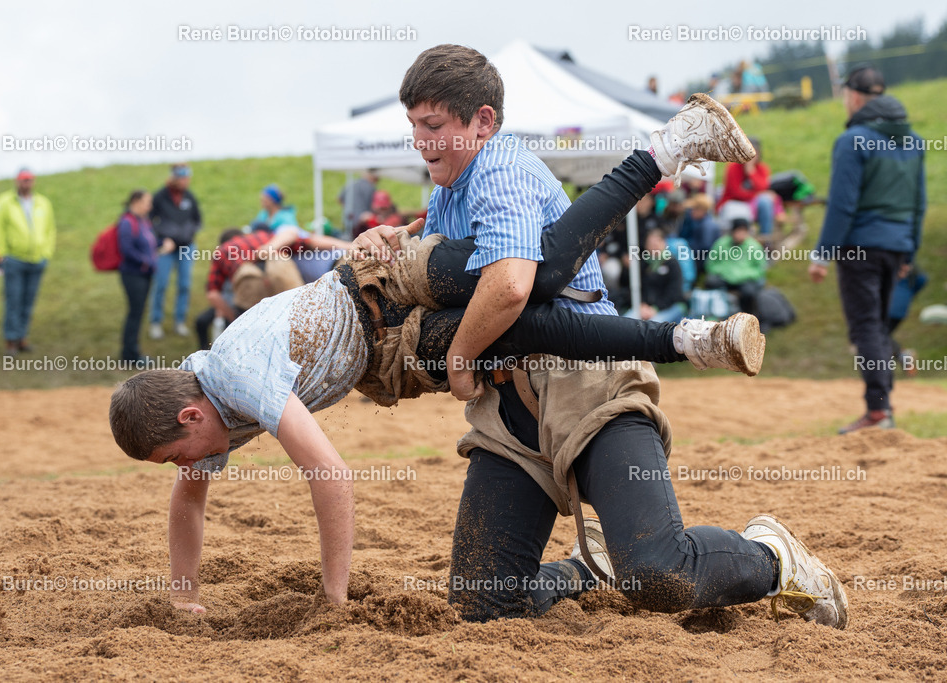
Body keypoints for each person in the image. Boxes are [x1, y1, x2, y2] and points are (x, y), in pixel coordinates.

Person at [110, 149, 771, 612]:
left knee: (529, 281)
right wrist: (182, 594)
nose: (186, 467)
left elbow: (331, 475)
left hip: (385, 285)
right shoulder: (196, 399)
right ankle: (688, 337)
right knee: (518, 327)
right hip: (390, 350)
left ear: (190, 419)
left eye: (175, 454)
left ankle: (657, 172)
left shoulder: (233, 374)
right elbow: (187, 498)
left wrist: (333, 598)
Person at [354, 45, 846, 629]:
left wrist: (458, 354)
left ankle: (774, 558)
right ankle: (587, 571)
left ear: (482, 121)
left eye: (433, 126)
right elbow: (454, 272)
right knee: (485, 610)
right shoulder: (449, 191)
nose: (419, 140)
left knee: (659, 572)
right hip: (510, 406)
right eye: (413, 126)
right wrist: (394, 239)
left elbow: (512, 286)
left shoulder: (501, 168)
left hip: (589, 381)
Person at [808, 64, 925, 434]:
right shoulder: (914, 142)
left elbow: (842, 204)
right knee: (876, 326)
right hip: (897, 247)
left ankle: (878, 412)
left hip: (860, 248)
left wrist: (822, 253)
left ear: (855, 97)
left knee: (865, 329)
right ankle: (883, 408)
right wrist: (909, 253)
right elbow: (919, 204)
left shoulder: (851, 141)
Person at [0, 168, 56, 355]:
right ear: (17, 181)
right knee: (14, 300)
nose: (26, 183)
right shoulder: (5, 203)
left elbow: (50, 229)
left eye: (29, 179)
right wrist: (2, 251)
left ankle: (22, 337)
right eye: (23, 180)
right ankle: (11, 339)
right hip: (14, 260)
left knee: (28, 300)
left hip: (37, 259)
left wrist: (46, 252)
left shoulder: (42, 203)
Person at [149, 163, 202, 340]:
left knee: (184, 284)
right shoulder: (160, 197)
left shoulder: (189, 197)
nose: (186, 181)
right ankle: (156, 321)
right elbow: (150, 222)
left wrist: (188, 233)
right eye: (183, 178)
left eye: (188, 178)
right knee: (161, 284)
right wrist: (161, 239)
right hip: (166, 248)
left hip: (186, 247)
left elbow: (197, 220)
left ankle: (180, 321)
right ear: (174, 178)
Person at [116, 190, 158, 365]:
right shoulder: (127, 222)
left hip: (144, 273)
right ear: (136, 201)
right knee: (135, 312)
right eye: (147, 201)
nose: (150, 205)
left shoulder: (143, 221)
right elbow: (126, 249)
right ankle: (130, 354)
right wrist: (146, 261)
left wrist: (163, 243)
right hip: (133, 274)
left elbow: (149, 242)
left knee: (138, 312)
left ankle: (132, 352)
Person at [717, 139, 784, 243]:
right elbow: (736, 192)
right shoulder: (733, 167)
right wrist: (757, 195)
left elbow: (764, 187)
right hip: (734, 203)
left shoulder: (761, 169)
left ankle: (765, 240)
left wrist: (751, 172)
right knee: (762, 199)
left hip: (753, 205)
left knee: (765, 202)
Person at [194, 228, 244, 351]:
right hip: (224, 303)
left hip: (239, 307)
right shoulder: (222, 263)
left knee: (229, 329)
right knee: (201, 321)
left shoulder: (246, 264)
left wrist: (230, 313)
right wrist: (220, 307)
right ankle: (204, 350)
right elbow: (213, 291)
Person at [705, 218, 767, 315]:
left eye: (744, 231)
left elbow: (760, 269)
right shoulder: (721, 243)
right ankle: (717, 313)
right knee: (711, 282)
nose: (740, 235)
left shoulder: (754, 246)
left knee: (749, 292)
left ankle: (749, 316)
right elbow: (710, 264)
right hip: (724, 278)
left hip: (745, 279)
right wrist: (724, 272)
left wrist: (743, 275)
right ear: (732, 231)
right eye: (738, 231)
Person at [630, 229, 686, 323]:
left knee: (653, 326)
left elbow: (674, 292)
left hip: (670, 306)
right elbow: (638, 287)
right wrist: (642, 304)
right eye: (651, 243)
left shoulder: (671, 263)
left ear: (664, 243)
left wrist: (656, 308)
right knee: (628, 320)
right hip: (645, 308)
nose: (654, 246)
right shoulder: (643, 264)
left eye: (657, 242)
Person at [338, 170, 379, 236]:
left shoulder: (351, 184)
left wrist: (349, 207)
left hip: (349, 220)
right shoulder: (370, 187)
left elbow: (340, 199)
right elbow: (374, 206)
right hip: (363, 224)